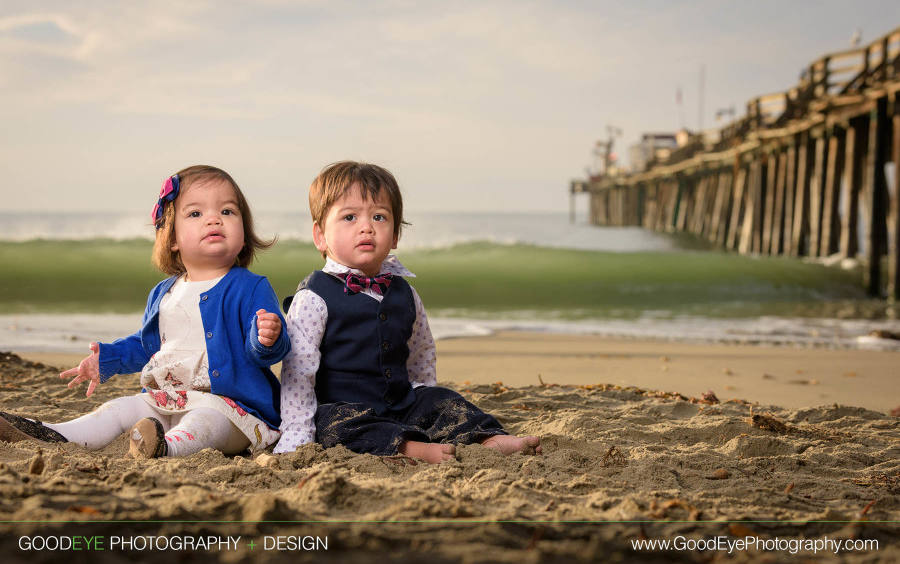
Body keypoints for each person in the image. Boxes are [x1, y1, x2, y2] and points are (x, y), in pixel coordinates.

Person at [0, 166, 289, 459]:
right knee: (118, 408)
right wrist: (107, 359)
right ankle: (54, 432)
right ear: (173, 239)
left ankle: (166, 448)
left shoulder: (249, 287)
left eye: (228, 211)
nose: (214, 219)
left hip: (230, 409)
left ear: (244, 232)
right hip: (166, 400)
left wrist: (267, 338)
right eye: (195, 214)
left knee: (204, 424)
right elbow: (148, 345)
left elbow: (269, 353)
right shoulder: (163, 292)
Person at [274, 160, 541, 463]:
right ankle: (415, 449)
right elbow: (298, 371)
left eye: (379, 217)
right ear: (320, 235)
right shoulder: (313, 297)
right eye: (349, 217)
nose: (366, 227)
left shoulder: (405, 292)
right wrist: (296, 432)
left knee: (445, 400)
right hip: (342, 406)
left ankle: (489, 438)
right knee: (334, 427)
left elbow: (421, 351)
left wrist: (423, 399)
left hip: (400, 402)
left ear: (396, 235)